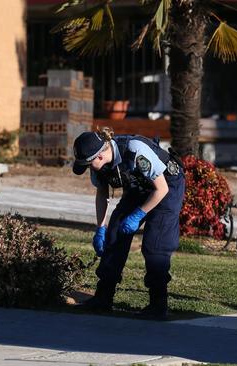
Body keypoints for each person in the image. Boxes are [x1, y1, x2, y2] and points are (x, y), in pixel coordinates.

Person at [72, 128, 185, 319]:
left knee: (155, 244)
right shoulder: (100, 165)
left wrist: (138, 214)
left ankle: (158, 304)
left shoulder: (135, 150)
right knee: (115, 232)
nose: (88, 168)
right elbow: (102, 193)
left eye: (89, 164)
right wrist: (101, 228)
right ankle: (103, 297)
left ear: (99, 157)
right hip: (138, 186)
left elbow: (161, 189)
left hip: (166, 185)